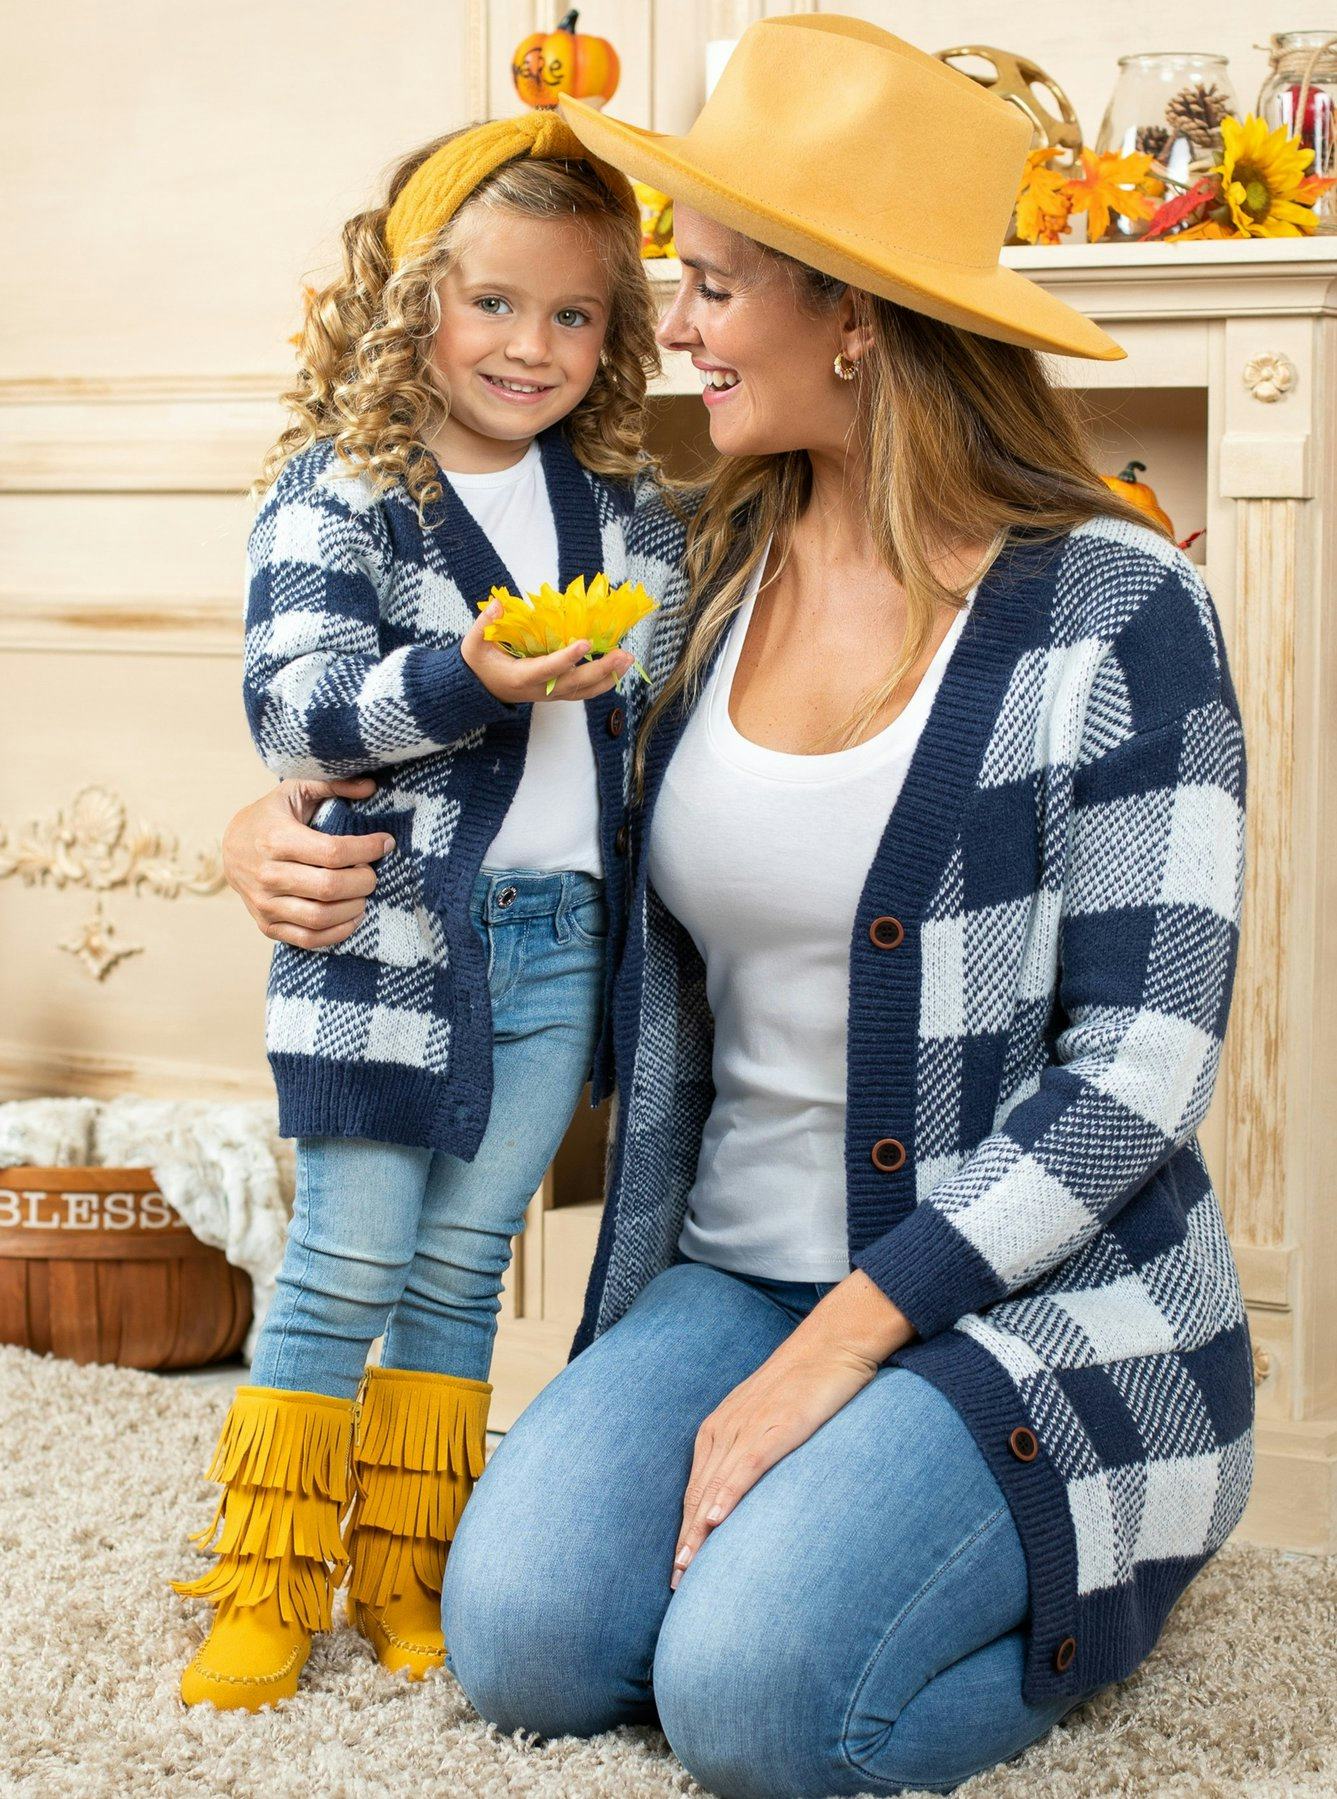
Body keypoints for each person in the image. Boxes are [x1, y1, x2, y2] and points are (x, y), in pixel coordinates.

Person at [221, 17, 1253, 1794]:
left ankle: (1124, 1527)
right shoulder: (683, 570)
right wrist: (261, 823)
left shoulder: (1116, 608)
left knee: (754, 1708)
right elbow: (490, 764)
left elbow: (1135, 1075)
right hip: (729, 1269)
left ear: (849, 313)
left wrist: (839, 1357)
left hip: (1006, 1300)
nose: (661, 329)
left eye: (701, 285)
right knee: (524, 1648)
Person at [172, 110, 667, 1712]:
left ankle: (403, 1577)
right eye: (496, 305)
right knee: (341, 1264)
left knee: (459, 1275)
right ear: (417, 306)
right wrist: (471, 674)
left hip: (555, 946)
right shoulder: (341, 493)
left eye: (575, 314)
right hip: (376, 943)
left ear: (616, 330)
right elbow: (300, 711)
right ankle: (262, 1583)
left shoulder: (624, 509)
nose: (533, 347)